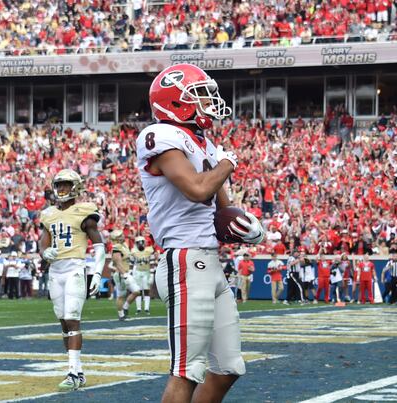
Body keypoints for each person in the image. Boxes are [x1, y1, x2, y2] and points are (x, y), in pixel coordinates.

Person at [136, 64, 264, 402]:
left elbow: (221, 211)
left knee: (228, 367)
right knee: (187, 370)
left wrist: (244, 226)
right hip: (184, 260)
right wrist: (226, 164)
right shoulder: (160, 135)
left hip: (209, 260)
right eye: (200, 95)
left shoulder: (203, 142)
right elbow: (195, 188)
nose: (209, 101)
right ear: (176, 102)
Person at [39, 169, 105, 391]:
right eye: (59, 185)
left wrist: (96, 273)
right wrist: (44, 252)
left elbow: (98, 245)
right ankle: (78, 371)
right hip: (55, 271)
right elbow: (43, 241)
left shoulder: (84, 211)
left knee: (72, 319)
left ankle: (72, 372)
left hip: (75, 268)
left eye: (66, 185)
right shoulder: (48, 214)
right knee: (63, 322)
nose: (62, 189)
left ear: (76, 187)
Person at [110, 229, 141, 320]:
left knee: (136, 291)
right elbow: (118, 263)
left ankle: (125, 308)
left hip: (126, 272)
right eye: (120, 236)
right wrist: (124, 274)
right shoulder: (116, 247)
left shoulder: (123, 245)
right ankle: (121, 314)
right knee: (121, 295)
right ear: (116, 238)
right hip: (121, 274)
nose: (123, 236)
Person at [131, 236, 157, 314]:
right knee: (138, 290)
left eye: (142, 242)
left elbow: (152, 262)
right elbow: (131, 263)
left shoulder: (149, 251)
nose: (141, 244)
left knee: (146, 290)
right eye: (139, 242)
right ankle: (138, 308)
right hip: (137, 272)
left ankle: (146, 308)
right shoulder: (133, 251)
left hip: (146, 272)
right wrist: (130, 273)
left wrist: (152, 274)